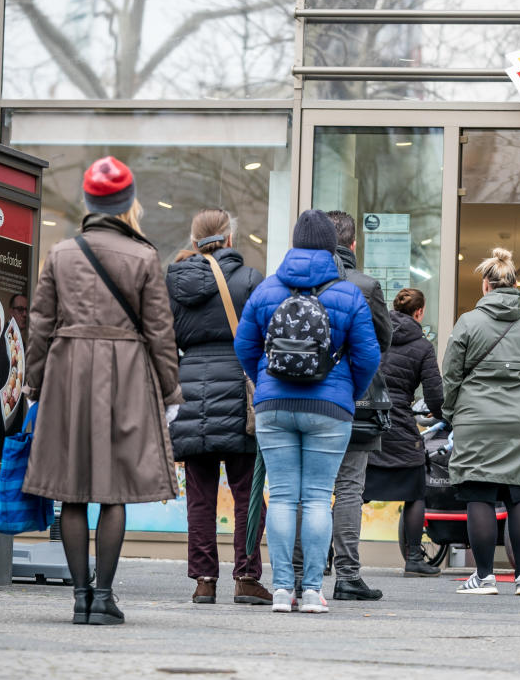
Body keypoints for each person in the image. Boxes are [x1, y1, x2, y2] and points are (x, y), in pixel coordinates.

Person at [23, 156, 182, 625]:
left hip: (68, 372)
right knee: (113, 489)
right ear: (128, 202)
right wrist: (170, 390)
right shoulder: (145, 255)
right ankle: (104, 596)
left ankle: (78, 597)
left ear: (89, 202)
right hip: (126, 373)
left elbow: (39, 326)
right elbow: (159, 331)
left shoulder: (61, 254)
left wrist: (34, 384)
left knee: (71, 490)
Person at [234, 209, 381, 614]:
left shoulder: (266, 290)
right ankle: (313, 592)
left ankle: (282, 590)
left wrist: (263, 380)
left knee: (281, 498)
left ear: (295, 243)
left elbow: (244, 346)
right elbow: (369, 354)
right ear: (333, 246)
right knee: (318, 499)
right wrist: (350, 391)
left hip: (274, 406)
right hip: (330, 408)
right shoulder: (348, 293)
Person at [166, 209, 271, 605]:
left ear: (195, 242)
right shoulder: (249, 280)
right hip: (240, 394)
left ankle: (204, 580)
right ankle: (246, 577)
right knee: (248, 491)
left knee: (199, 494)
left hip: (190, 391)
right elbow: (264, 337)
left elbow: (165, 339)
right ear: (230, 240)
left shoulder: (174, 281)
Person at [293, 210, 392, 603]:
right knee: (349, 487)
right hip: (356, 401)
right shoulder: (365, 286)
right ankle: (348, 575)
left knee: (303, 489)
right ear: (353, 244)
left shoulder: (296, 282)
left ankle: (299, 574)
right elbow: (383, 342)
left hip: (300, 396)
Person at [442, 248, 520, 597]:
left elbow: (451, 376)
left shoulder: (468, 322)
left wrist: (451, 412)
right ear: (513, 285)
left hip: (476, 421)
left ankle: (485, 576)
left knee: (481, 496)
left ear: (486, 286)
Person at [364, 288, 444, 577]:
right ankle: (413, 558)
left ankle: (329, 555)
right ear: (419, 312)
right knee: (415, 491)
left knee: (354, 491)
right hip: (400, 425)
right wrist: (442, 414)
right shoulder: (423, 346)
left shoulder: (373, 335)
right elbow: (435, 396)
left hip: (367, 423)